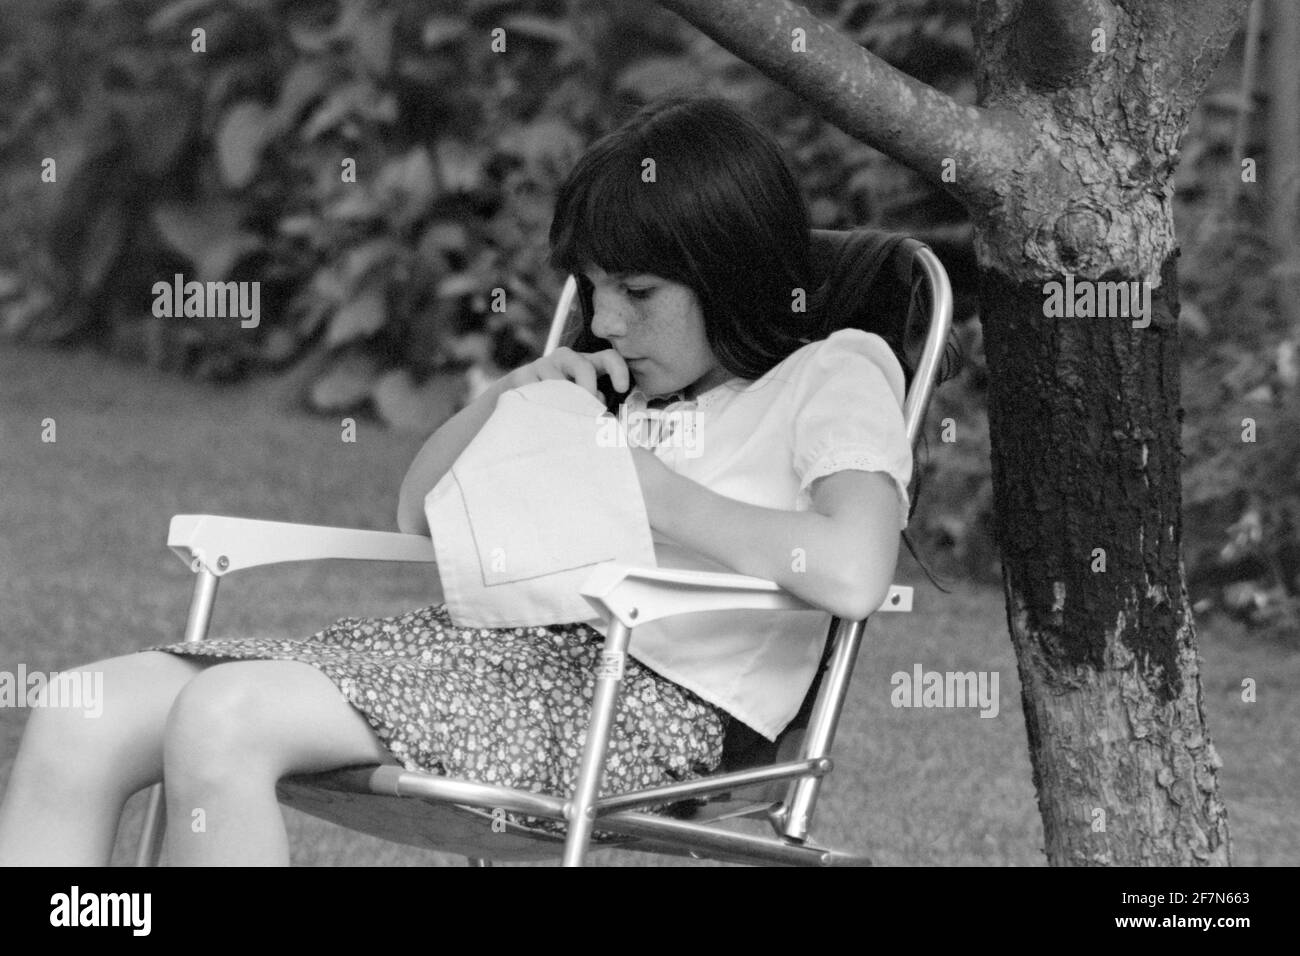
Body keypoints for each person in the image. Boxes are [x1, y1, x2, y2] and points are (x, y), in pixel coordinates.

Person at [0, 93, 914, 866]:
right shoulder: (617, 390)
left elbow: (853, 571)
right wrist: (518, 394)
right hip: (484, 655)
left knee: (225, 714)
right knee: (85, 710)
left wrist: (651, 491)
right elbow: (422, 515)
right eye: (591, 287)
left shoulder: (830, 374)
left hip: (643, 706)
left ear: (736, 276)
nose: (604, 319)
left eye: (638, 293)